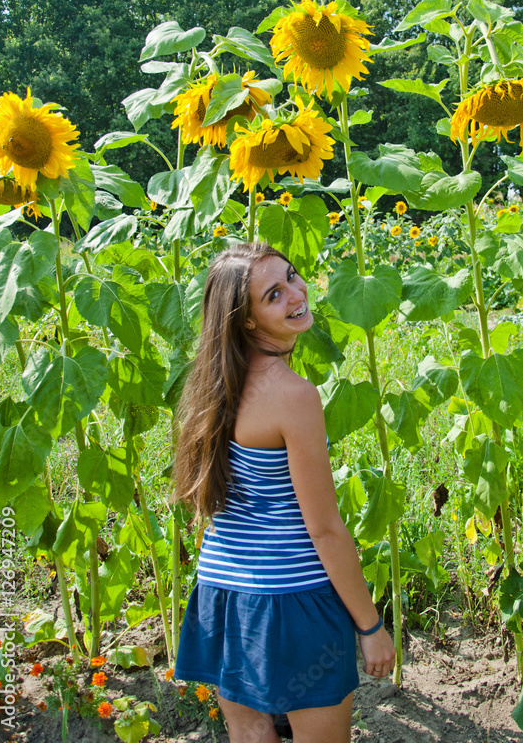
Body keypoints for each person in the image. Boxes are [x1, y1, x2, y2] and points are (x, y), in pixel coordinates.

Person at [172, 242, 395, 743]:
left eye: (292, 277)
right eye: (274, 294)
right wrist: (369, 626)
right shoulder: (294, 396)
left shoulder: (212, 387)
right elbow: (324, 529)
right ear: (248, 322)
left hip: (223, 594)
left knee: (250, 734)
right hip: (293, 602)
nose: (297, 293)